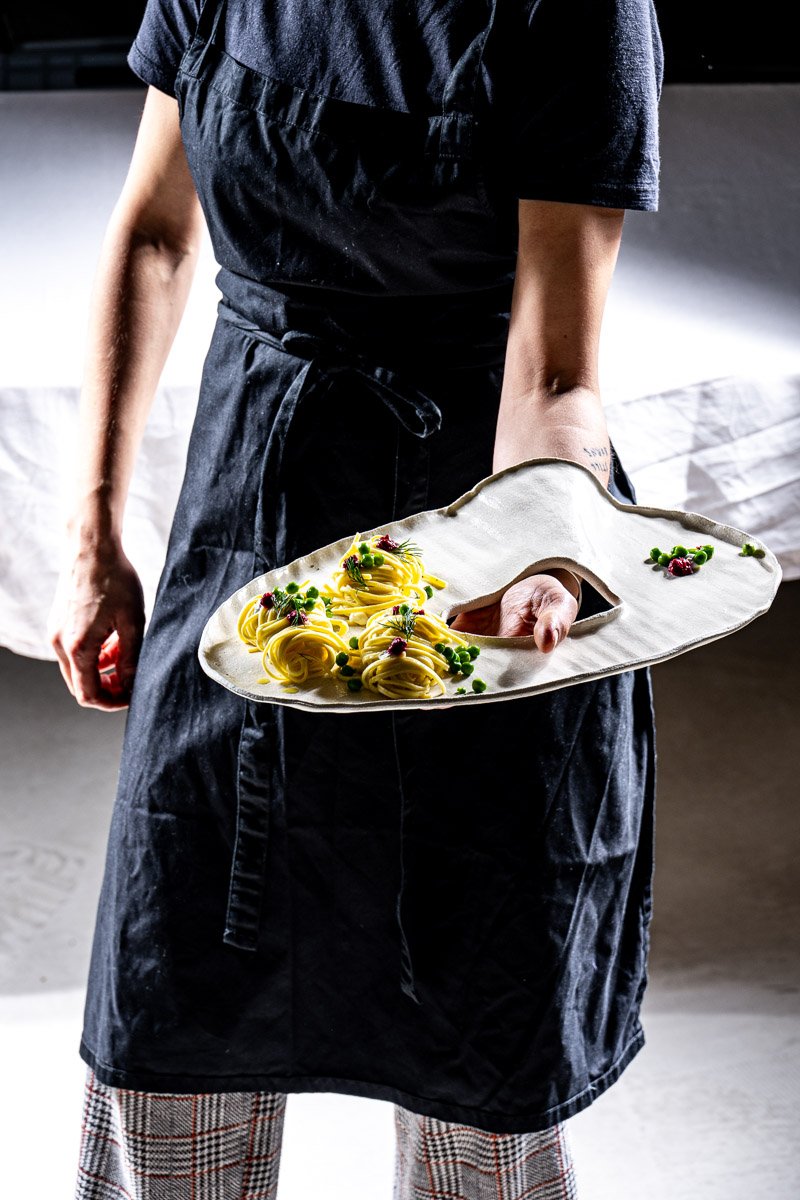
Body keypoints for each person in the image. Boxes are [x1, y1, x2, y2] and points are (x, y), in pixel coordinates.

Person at [49, 0, 663, 1195]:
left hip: (475, 530)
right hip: (250, 505)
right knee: (172, 996)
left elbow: (553, 367)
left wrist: (539, 551)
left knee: (473, 1018)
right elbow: (159, 236)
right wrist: (92, 537)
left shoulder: (582, 15)